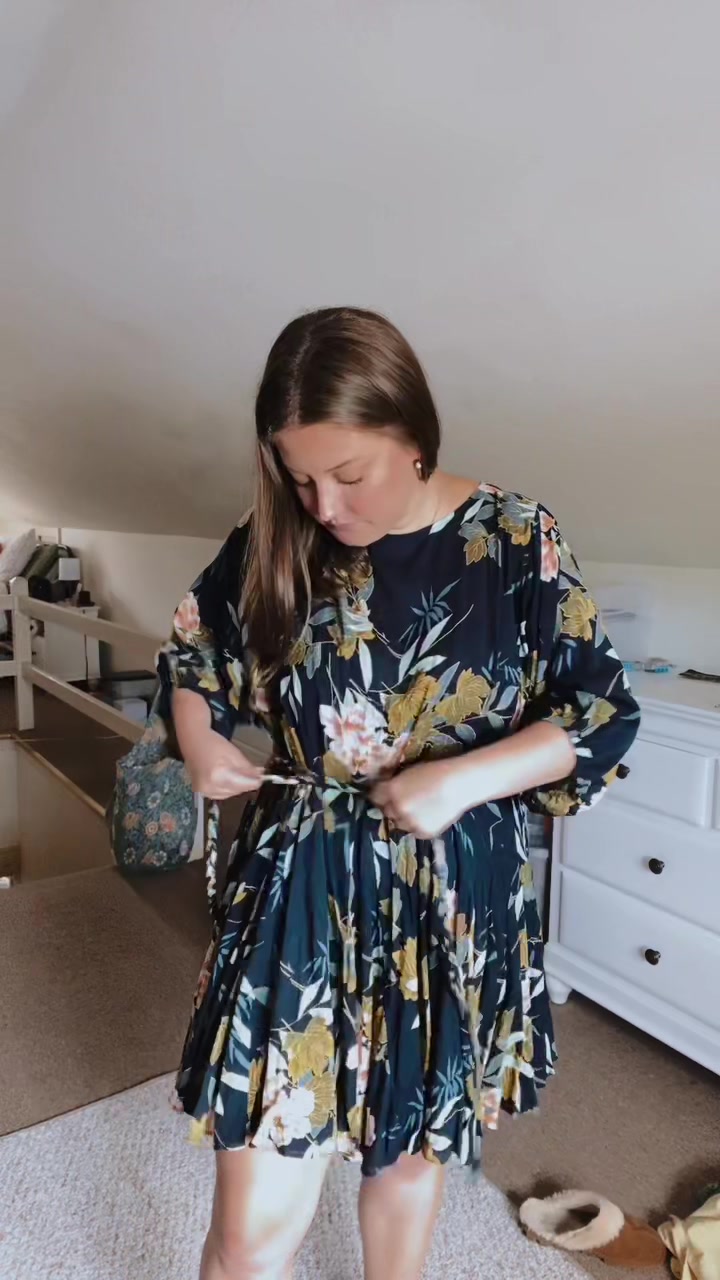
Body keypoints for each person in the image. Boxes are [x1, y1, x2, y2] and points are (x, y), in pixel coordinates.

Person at [158, 307, 640, 1280]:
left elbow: (599, 712)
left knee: (409, 1156)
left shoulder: (517, 540)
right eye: (300, 477)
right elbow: (195, 651)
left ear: (415, 436)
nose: (325, 504)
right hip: (302, 892)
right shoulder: (276, 534)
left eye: (349, 474)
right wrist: (200, 736)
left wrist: (462, 777)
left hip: (452, 903)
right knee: (249, 1228)